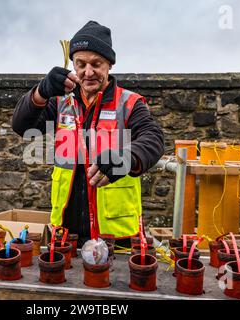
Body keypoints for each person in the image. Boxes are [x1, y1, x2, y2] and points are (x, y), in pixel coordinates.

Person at [12, 20, 165, 248]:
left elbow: (153, 138)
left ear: (109, 65)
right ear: (73, 65)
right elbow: (21, 125)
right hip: (66, 232)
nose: (88, 72)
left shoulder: (129, 103)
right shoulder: (60, 102)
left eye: (96, 64)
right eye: (80, 64)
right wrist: (40, 92)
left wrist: (126, 157)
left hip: (116, 236)